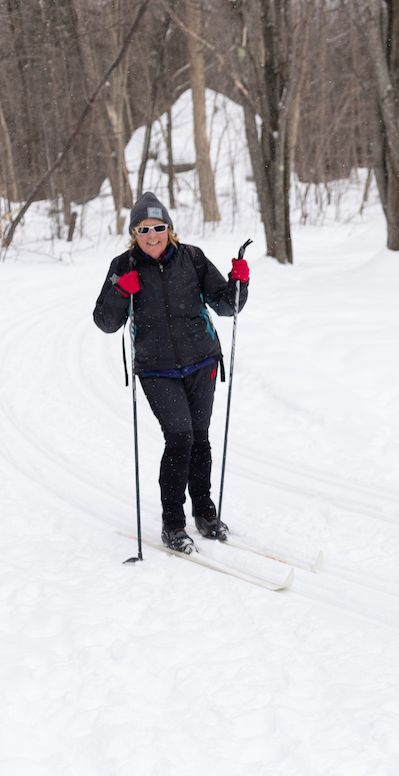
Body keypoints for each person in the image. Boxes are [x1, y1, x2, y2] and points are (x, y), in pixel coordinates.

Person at [93, 192, 250, 554]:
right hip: (156, 370)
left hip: (202, 362)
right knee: (179, 439)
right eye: (144, 229)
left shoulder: (192, 258)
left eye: (159, 227)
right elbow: (105, 321)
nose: (152, 235)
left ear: (170, 229)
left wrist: (239, 280)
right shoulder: (124, 265)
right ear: (134, 232)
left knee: (200, 438)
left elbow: (227, 305)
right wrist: (120, 291)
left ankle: (206, 514)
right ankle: (173, 524)